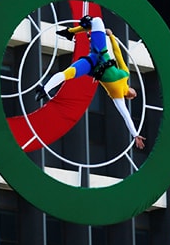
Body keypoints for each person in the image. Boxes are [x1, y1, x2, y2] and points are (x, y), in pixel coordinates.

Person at [35, 16, 146, 149]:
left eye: (134, 97)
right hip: (100, 53)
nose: (135, 94)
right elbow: (118, 55)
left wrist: (135, 134)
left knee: (68, 73)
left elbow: (126, 116)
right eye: (135, 93)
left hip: (92, 65)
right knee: (97, 21)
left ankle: (44, 89)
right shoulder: (126, 74)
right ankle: (71, 32)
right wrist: (111, 37)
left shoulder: (118, 97)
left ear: (129, 97)